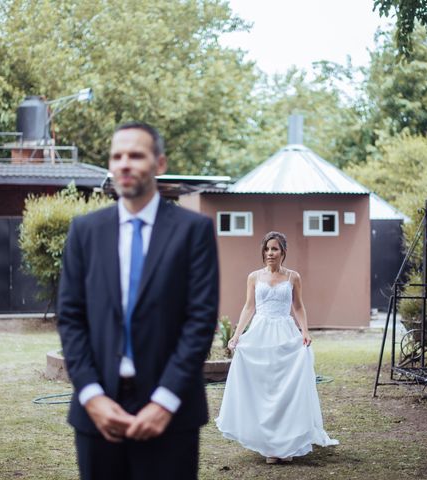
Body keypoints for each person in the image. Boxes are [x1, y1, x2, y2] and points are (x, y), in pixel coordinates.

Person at [57, 122, 219, 480]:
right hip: (98, 414)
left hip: (171, 414)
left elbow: (200, 321)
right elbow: (70, 318)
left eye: (136, 155)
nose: (124, 164)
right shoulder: (85, 231)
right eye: (117, 156)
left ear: (159, 164)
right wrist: (91, 395)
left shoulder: (194, 231)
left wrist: (164, 401)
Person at [215, 231, 338, 464]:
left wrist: (305, 331)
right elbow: (248, 307)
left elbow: (298, 307)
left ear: (283, 252)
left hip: (285, 333)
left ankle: (286, 444)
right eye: (267, 249)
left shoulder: (293, 277)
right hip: (260, 334)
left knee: (285, 388)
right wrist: (237, 335)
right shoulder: (254, 277)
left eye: (275, 249)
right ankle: (268, 446)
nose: (270, 253)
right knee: (264, 388)